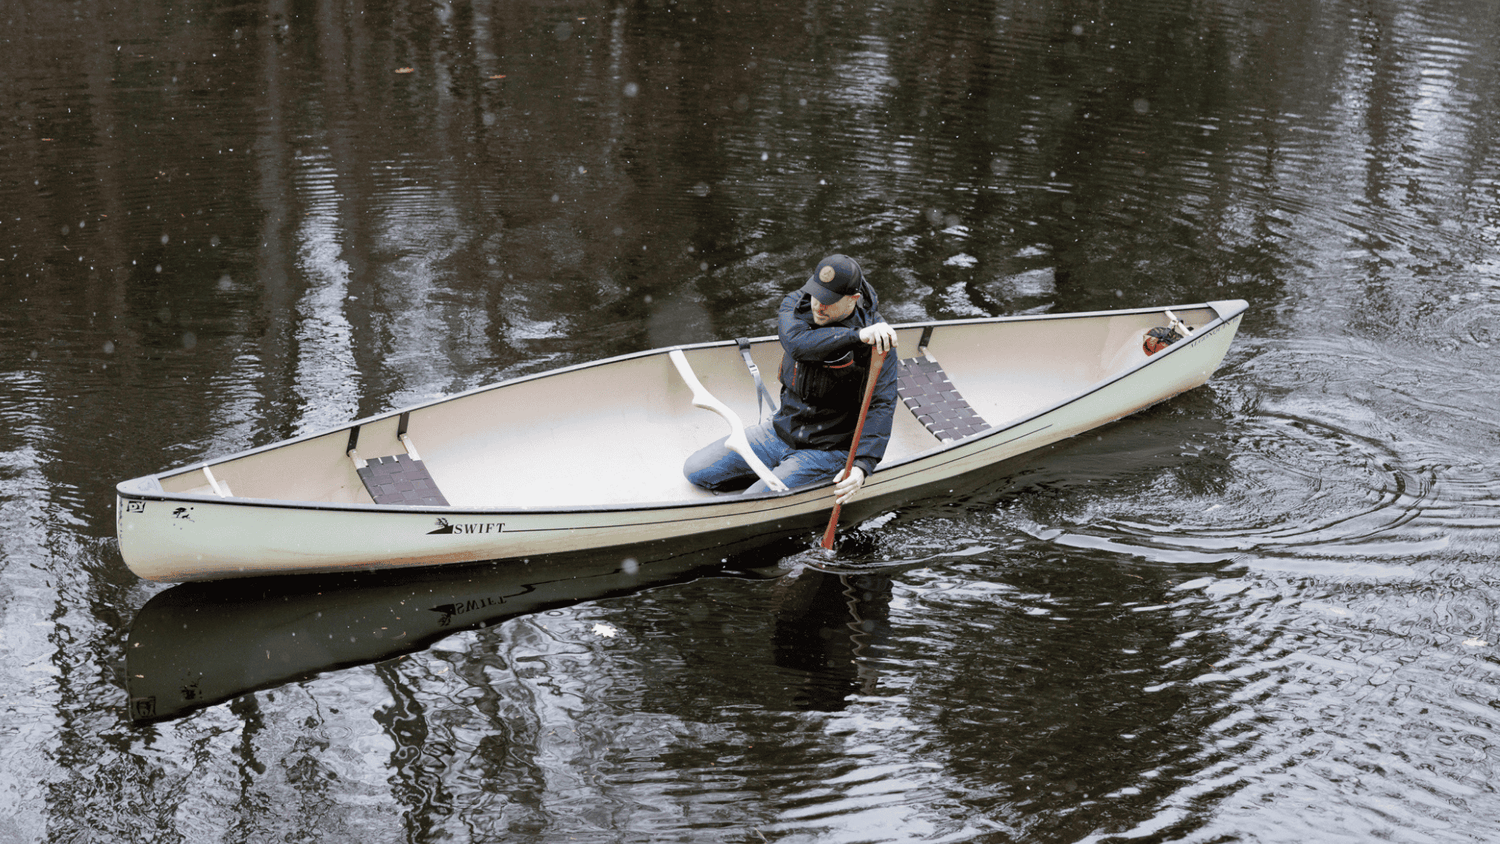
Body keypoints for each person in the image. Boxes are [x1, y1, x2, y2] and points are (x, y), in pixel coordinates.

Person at [684, 254, 898, 504]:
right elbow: (798, 344)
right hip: (781, 431)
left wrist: (862, 465)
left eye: (829, 301)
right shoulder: (797, 303)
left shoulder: (879, 343)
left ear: (854, 299)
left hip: (827, 449)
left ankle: (783, 479)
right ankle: (772, 473)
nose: (819, 305)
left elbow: (881, 404)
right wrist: (856, 336)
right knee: (695, 470)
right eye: (817, 293)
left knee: (751, 503)